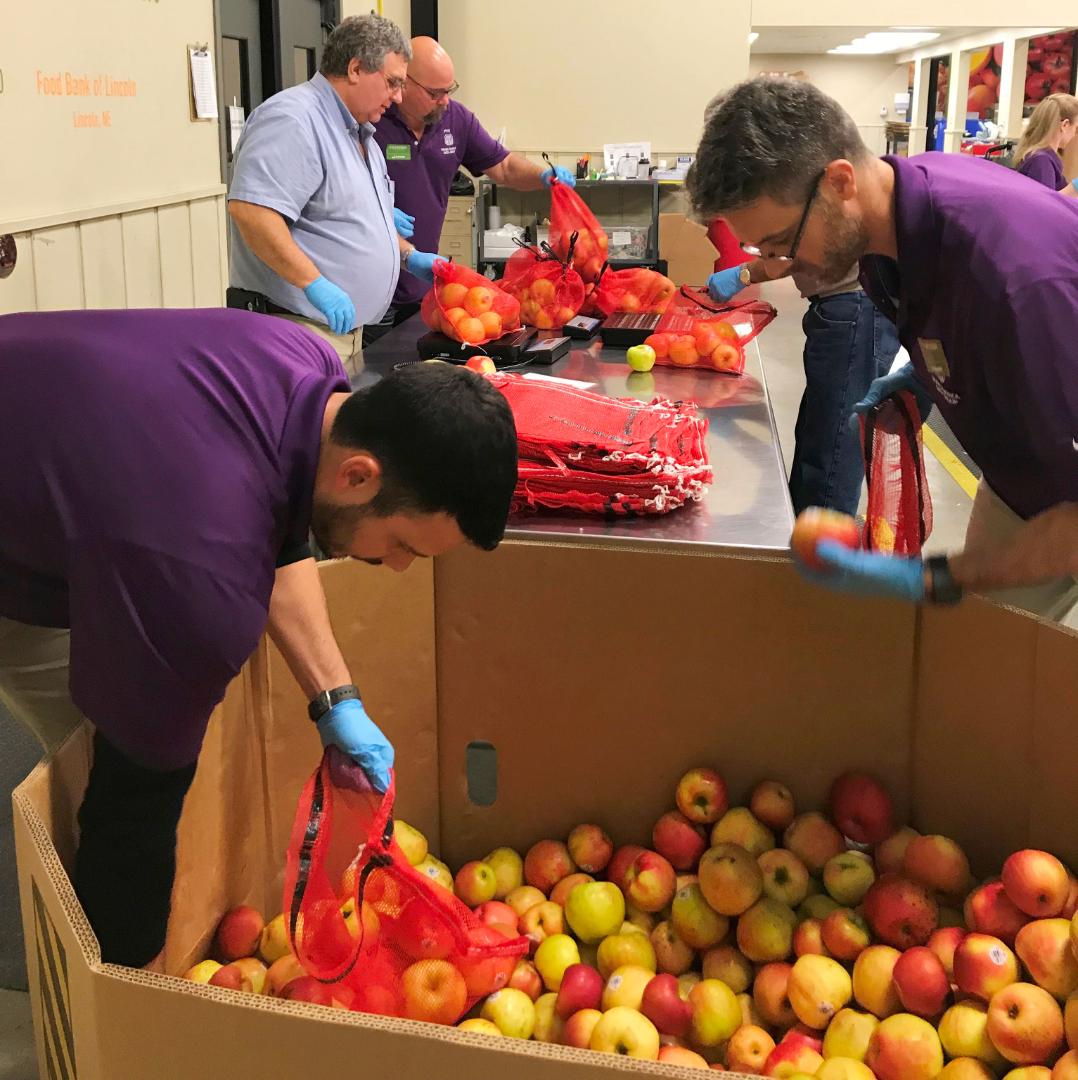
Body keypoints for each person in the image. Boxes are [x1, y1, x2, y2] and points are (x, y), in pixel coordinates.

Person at [0, 307, 518, 967]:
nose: (396, 568)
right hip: (47, 501)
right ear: (357, 474)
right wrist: (131, 1012)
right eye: (402, 545)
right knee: (113, 781)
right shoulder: (200, 584)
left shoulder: (306, 365)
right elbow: (132, 815)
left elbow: (277, 527)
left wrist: (337, 701)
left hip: (43, 427)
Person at [688, 76, 1078, 623]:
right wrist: (924, 377)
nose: (781, 262)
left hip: (1066, 498)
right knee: (987, 653)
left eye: (782, 243)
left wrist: (937, 576)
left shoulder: (1016, 282)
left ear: (839, 182)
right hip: (1023, 471)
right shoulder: (889, 223)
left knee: (1029, 681)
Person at [227, 15, 440, 375]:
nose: (398, 96)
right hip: (296, 330)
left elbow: (351, 222)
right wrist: (314, 282)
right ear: (356, 68)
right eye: (392, 83)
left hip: (343, 334)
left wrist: (408, 256)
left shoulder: (361, 135)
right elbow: (253, 212)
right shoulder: (294, 119)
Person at [364, 36, 577, 345]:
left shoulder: (455, 120)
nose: (444, 101)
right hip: (371, 291)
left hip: (422, 287)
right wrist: (378, 211)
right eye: (435, 93)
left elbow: (503, 166)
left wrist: (543, 175)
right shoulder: (373, 118)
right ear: (403, 82)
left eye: (449, 91)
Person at [706, 253, 899, 516]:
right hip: (847, 306)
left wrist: (744, 274)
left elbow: (793, 250)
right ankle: (804, 532)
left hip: (856, 308)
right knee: (818, 437)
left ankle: (822, 548)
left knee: (834, 448)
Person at [1014, 92, 1078, 192]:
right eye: (1076, 128)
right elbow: (1045, 204)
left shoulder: (1042, 157)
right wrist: (1074, 189)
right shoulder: (1041, 161)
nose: (1074, 134)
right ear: (1065, 125)